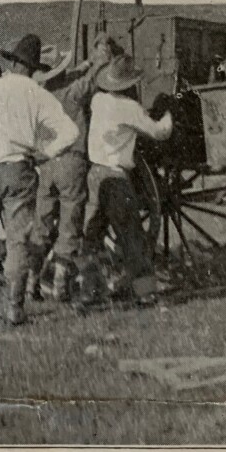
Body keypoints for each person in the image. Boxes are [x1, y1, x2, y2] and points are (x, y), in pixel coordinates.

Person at [0, 34, 79, 326]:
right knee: (18, 241)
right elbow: (71, 132)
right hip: (19, 171)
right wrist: (45, 154)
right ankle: (14, 307)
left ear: (13, 62)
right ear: (34, 68)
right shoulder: (37, 94)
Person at [26, 32, 123, 302]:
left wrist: (87, 64)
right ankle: (59, 285)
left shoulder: (39, 99)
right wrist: (102, 56)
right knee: (70, 224)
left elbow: (79, 74)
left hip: (46, 168)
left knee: (43, 225)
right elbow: (91, 80)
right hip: (71, 164)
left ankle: (30, 282)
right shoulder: (72, 93)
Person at [79, 60, 173, 308]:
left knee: (92, 235)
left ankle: (89, 290)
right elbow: (158, 132)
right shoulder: (130, 108)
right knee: (132, 236)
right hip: (116, 178)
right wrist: (168, 114)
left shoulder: (98, 101)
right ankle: (145, 292)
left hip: (94, 175)